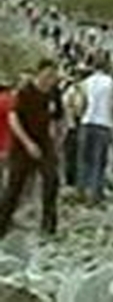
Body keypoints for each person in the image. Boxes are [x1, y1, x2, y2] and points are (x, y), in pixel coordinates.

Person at [0, 59, 60, 238]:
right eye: (47, 75)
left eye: (53, 77)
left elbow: (54, 117)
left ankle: (49, 225)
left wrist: (54, 137)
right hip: (22, 145)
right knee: (14, 187)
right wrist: (28, 143)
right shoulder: (24, 92)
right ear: (39, 73)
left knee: (52, 180)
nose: (50, 80)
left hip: (44, 142)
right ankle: (2, 224)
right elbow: (13, 119)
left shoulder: (52, 93)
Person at [77, 56, 113, 205]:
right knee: (99, 161)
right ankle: (95, 194)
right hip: (104, 124)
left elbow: (81, 104)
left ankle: (82, 190)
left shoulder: (85, 83)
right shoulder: (111, 83)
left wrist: (81, 117)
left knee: (84, 159)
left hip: (87, 122)